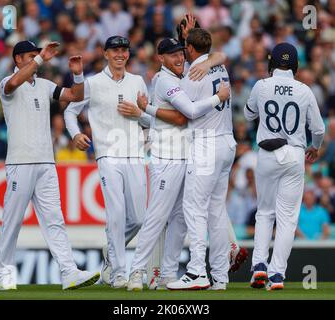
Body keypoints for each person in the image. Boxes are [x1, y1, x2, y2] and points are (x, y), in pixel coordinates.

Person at [123, 37, 229, 291]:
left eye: (181, 53)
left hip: (189, 155)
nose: (179, 58)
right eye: (172, 55)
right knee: (156, 217)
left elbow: (216, 56)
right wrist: (217, 97)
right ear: (161, 58)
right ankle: (136, 271)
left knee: (181, 220)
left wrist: (145, 111)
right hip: (167, 157)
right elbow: (184, 116)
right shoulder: (164, 80)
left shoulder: (184, 77)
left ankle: (168, 274)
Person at [0, 40, 100, 290]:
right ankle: (5, 273)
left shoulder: (43, 85)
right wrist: (41, 58)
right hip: (20, 162)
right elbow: (13, 84)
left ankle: (69, 272)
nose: (36, 60)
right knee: (13, 220)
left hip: (46, 162)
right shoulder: (7, 83)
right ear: (18, 59)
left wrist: (77, 74)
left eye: (37, 56)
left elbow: (74, 95)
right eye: (30, 56)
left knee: (54, 219)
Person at [64, 36, 150, 289]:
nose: (120, 55)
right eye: (115, 51)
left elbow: (149, 120)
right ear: (105, 53)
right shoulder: (92, 83)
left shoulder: (138, 81)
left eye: (124, 50)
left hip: (135, 154)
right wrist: (76, 134)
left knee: (139, 218)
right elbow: (70, 111)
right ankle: (119, 273)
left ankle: (111, 252)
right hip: (108, 155)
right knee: (115, 214)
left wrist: (141, 113)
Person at [244, 42, 325, 290]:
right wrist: (316, 146)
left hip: (268, 152)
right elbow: (319, 129)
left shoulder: (261, 85)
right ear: (295, 66)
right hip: (295, 154)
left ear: (271, 63)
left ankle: (259, 266)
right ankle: (277, 275)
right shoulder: (304, 90)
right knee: (287, 219)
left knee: (264, 213)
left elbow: (248, 115)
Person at [165, 27, 236, 291]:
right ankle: (220, 277)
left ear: (190, 49)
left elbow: (189, 113)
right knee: (216, 212)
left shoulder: (194, 74)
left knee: (193, 208)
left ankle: (196, 272)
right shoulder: (219, 67)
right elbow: (221, 55)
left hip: (207, 144)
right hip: (227, 143)